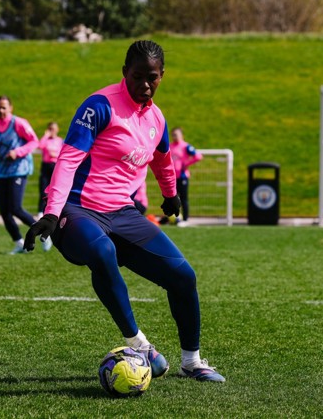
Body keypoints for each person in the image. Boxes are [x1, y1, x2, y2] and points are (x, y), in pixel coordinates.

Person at [24, 40, 225, 383]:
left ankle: (192, 361)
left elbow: (162, 159)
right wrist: (53, 212)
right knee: (102, 251)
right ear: (124, 73)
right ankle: (140, 345)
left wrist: (170, 194)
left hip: (123, 213)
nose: (145, 84)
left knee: (183, 276)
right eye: (137, 76)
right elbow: (69, 158)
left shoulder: (157, 119)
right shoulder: (99, 106)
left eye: (153, 78)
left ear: (162, 76)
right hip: (78, 208)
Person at [0, 95, 41, 254]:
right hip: (2, 171)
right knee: (4, 211)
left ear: (10, 108)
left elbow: (34, 141)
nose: (1, 110)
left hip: (18, 169)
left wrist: (18, 152)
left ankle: (42, 231)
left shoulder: (19, 123)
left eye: (3, 107)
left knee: (15, 207)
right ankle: (19, 242)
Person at [169, 127, 203, 227]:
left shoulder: (185, 146)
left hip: (182, 176)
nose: (175, 137)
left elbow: (198, 156)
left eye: (176, 134)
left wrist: (186, 163)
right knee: (173, 198)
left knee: (183, 198)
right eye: (173, 135)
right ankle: (174, 218)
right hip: (171, 177)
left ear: (181, 135)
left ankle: (185, 219)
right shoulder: (170, 146)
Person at [37, 121, 63, 217]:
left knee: (54, 189)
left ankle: (53, 211)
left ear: (57, 130)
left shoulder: (60, 141)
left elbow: (62, 154)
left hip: (55, 166)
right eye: (50, 129)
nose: (52, 131)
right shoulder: (46, 140)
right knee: (43, 189)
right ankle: (40, 211)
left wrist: (54, 155)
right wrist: (45, 136)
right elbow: (40, 146)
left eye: (53, 129)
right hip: (45, 166)